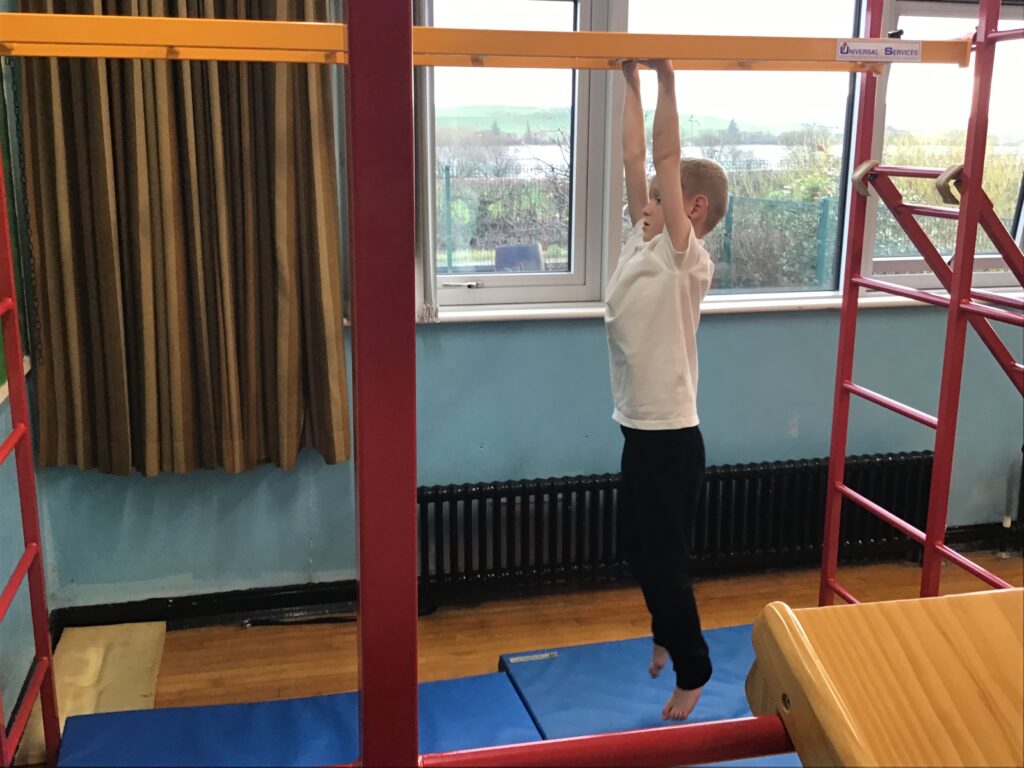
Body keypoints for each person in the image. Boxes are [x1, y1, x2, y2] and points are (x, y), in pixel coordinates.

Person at [605, 58, 729, 721]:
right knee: (639, 551)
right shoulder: (645, 239)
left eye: (660, 198)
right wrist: (628, 83)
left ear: (692, 209)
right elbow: (636, 158)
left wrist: (667, 80)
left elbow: (664, 155)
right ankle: (664, 631)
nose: (646, 203)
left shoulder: (684, 256)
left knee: (665, 562)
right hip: (640, 431)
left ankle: (694, 667)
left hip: (672, 440)